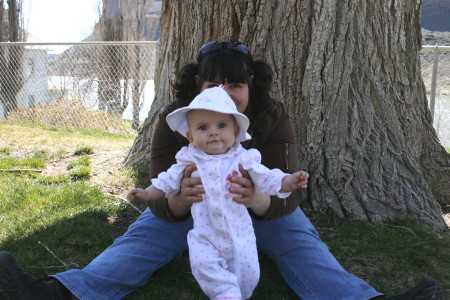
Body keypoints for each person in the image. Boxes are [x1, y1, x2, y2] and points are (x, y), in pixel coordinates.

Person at [0, 40, 443, 300]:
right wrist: (176, 203)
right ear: (198, 86)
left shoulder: (273, 118)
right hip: (195, 213)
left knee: (301, 244)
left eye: (236, 84)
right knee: (140, 242)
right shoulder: (175, 120)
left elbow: (289, 193)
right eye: (215, 84)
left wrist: (261, 199)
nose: (226, 94)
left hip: (258, 209)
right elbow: (158, 186)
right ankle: (58, 293)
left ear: (251, 86)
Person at [127, 86, 309, 300]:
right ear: (190, 136)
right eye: (203, 127)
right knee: (206, 266)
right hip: (205, 236)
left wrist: (287, 182)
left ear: (235, 132)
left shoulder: (244, 159)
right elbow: (166, 180)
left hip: (241, 236)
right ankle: (225, 294)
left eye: (221, 126)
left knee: (248, 276)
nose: (213, 132)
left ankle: (237, 293)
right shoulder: (188, 160)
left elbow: (267, 178)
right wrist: (148, 193)